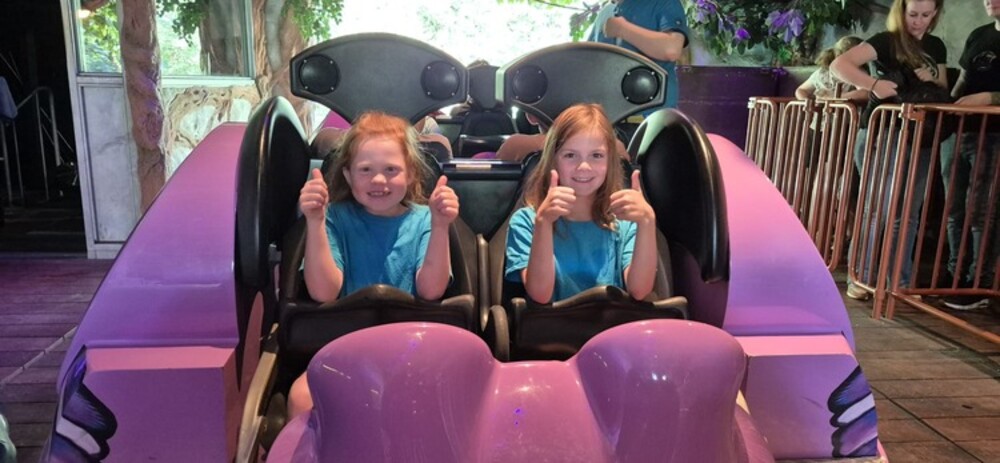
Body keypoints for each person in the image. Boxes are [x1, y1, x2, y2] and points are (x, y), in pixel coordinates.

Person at [288, 111, 459, 417]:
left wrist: (441, 225)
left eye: (391, 169)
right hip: (345, 350)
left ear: (410, 174)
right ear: (348, 176)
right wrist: (314, 221)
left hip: (412, 351)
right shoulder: (334, 218)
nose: (379, 180)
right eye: (366, 170)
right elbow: (323, 292)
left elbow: (431, 291)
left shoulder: (424, 219)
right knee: (301, 397)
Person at [831, 0, 947, 299]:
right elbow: (839, 65)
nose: (918, 21)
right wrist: (873, 84)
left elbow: (943, 85)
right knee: (876, 208)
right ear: (901, 11)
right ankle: (861, 275)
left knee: (908, 211)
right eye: (913, 14)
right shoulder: (885, 40)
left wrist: (933, 79)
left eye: (925, 15)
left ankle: (900, 280)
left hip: (921, 134)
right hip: (884, 130)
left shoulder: (936, 46)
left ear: (935, 14)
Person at [504, 103, 657, 304]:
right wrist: (544, 223)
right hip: (552, 324)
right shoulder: (527, 222)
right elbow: (541, 294)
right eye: (570, 155)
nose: (584, 166)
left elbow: (639, 290)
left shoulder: (626, 223)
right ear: (552, 160)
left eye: (596, 156)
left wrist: (647, 221)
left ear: (609, 162)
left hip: (614, 323)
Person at [938, 0, 1000, 310]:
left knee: (982, 210)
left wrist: (991, 98)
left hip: (994, 134)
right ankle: (954, 273)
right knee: (954, 208)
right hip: (960, 128)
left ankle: (979, 281)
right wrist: (947, 106)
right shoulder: (979, 34)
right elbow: (963, 79)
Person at [588, 0, 689, 114]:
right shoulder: (605, 13)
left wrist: (622, 29)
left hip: (653, 116)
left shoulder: (664, 3)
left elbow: (671, 49)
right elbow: (587, 63)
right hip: (610, 116)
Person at [796, 36, 868, 103]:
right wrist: (809, 103)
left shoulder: (857, 72)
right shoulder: (822, 73)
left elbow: (865, 93)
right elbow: (800, 90)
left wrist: (834, 97)